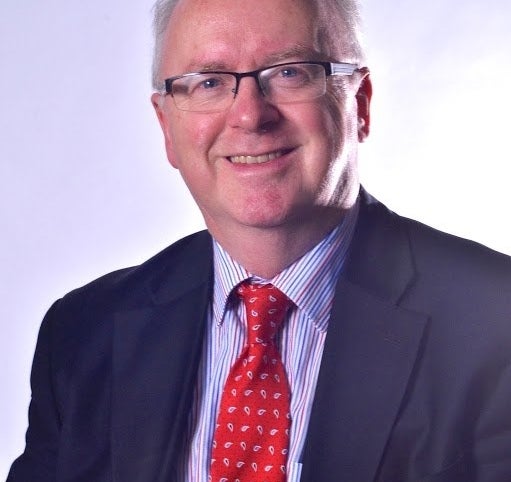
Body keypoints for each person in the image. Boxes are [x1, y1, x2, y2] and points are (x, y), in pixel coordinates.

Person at [7, 0, 511, 480]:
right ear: (167, 127)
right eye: (209, 82)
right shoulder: (83, 334)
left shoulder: (494, 322)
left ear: (359, 104)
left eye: (289, 72)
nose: (250, 115)